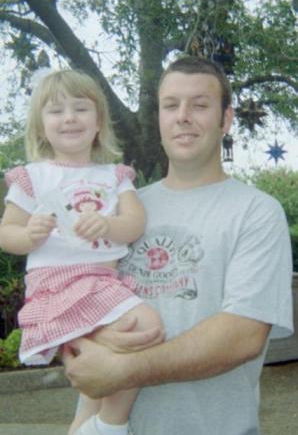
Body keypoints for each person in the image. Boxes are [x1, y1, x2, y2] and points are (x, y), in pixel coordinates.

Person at [63, 56, 294, 435]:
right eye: (171, 105)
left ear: (226, 119)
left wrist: (124, 369)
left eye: (200, 105)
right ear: (159, 118)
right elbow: (82, 298)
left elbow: (242, 335)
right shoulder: (120, 209)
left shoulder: (256, 212)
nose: (183, 116)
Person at [0, 69, 164, 435]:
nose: (69, 118)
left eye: (80, 108)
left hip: (103, 280)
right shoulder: (33, 176)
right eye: (56, 111)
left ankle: (84, 425)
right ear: (40, 126)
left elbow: (135, 223)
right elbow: (6, 234)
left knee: (107, 360)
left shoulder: (114, 175)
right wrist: (30, 234)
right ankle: (111, 424)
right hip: (57, 282)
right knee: (146, 326)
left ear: (98, 122)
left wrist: (108, 225)